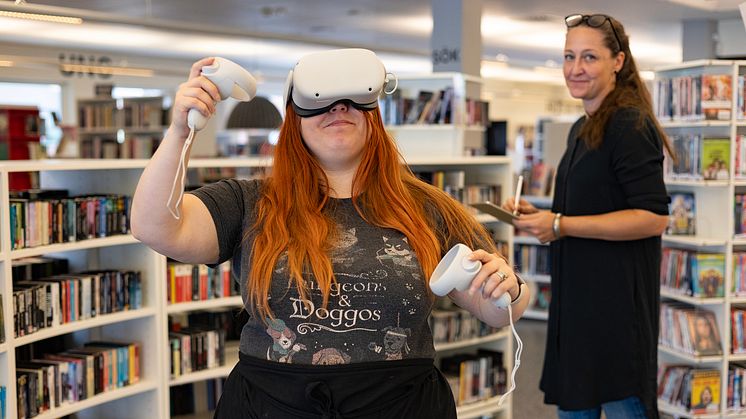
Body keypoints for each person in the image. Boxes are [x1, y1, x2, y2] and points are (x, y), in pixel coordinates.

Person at [130, 50, 529, 418]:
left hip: (400, 405)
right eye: (320, 99)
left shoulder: (426, 207)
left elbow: (496, 310)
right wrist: (181, 130)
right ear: (294, 117)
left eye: (355, 99)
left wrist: (505, 290)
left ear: (374, 114)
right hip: (271, 405)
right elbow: (153, 227)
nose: (339, 108)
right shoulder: (249, 201)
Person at [502, 13, 674, 419]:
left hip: (615, 312)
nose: (575, 69)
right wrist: (542, 215)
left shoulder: (629, 123)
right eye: (568, 56)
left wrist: (560, 225)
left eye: (589, 57)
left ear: (617, 61)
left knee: (621, 404)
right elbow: (593, 204)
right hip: (579, 306)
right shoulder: (585, 124)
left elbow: (653, 217)